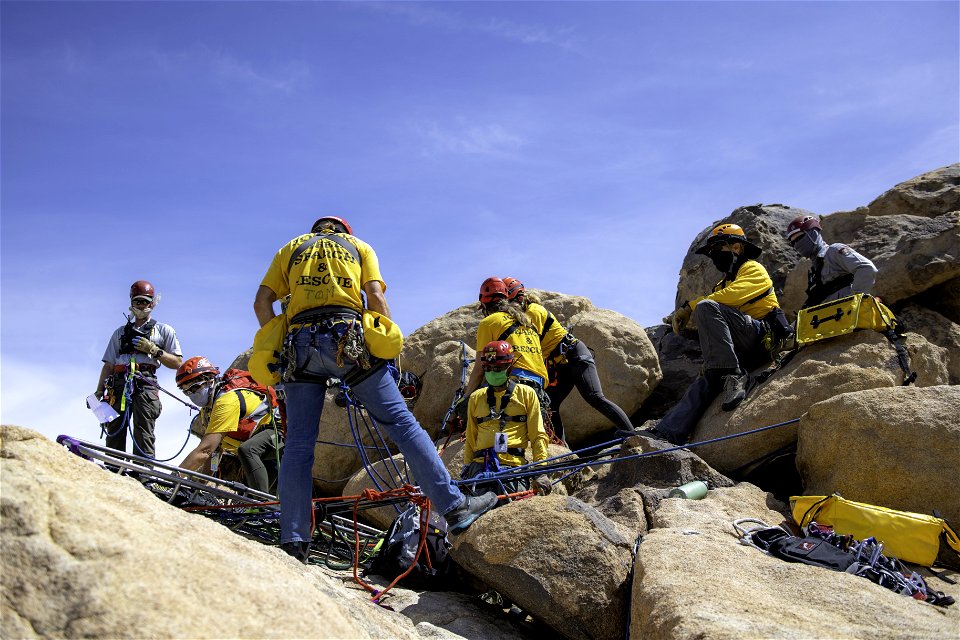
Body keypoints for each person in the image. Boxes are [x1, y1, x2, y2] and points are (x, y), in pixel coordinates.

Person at [254, 215, 497, 562]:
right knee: (401, 423)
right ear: (343, 231)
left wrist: (279, 338)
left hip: (299, 346)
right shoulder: (358, 247)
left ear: (316, 231)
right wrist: (385, 344)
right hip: (346, 339)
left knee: (299, 444)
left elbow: (261, 303)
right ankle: (454, 507)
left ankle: (294, 539)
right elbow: (375, 296)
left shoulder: (290, 249)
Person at [649, 224, 781, 445]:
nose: (713, 255)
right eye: (711, 252)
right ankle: (667, 433)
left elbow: (729, 298)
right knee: (708, 378)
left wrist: (690, 306)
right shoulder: (724, 282)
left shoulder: (753, 269)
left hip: (763, 336)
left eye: (717, 248)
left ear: (736, 247)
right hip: (742, 347)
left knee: (706, 308)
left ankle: (735, 375)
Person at [502, 277, 634, 442]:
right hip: (562, 362)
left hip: (575, 355)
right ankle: (562, 446)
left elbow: (533, 346)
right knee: (550, 405)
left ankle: (631, 434)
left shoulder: (533, 312)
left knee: (594, 396)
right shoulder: (526, 312)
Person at [94, 280, 182, 458]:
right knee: (115, 429)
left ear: (153, 303)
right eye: (138, 301)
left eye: (146, 302)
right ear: (131, 302)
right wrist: (99, 390)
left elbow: (178, 362)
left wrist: (154, 350)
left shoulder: (163, 330)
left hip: (145, 383)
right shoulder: (119, 333)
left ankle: (144, 476)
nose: (142, 305)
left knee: (144, 431)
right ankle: (113, 469)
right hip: (118, 384)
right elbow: (109, 365)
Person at [176, 357, 282, 494]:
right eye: (187, 392)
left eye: (195, 388)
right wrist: (200, 484)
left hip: (280, 435)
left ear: (210, 380)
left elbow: (204, 451)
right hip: (263, 448)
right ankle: (260, 507)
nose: (192, 394)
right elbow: (214, 452)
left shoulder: (226, 401)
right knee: (249, 489)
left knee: (248, 450)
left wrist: (174, 478)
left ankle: (259, 504)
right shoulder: (207, 412)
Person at [460, 278, 552, 433]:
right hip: (539, 390)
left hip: (514, 386)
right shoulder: (526, 320)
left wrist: (466, 397)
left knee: (470, 404)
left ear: (483, 304)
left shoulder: (488, 322)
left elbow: (479, 369)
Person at [462, 341, 551, 498]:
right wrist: (467, 468)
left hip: (513, 469)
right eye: (488, 369)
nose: (492, 373)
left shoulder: (527, 394)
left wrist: (540, 469)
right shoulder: (476, 398)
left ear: (510, 367)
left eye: (497, 368)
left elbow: (538, 435)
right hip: (480, 469)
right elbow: (471, 438)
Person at [786, 215, 878, 307]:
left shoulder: (833, 251)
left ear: (813, 233)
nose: (796, 245)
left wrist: (853, 303)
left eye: (799, 238)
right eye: (793, 243)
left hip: (848, 317)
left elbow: (866, 268)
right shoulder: (814, 272)